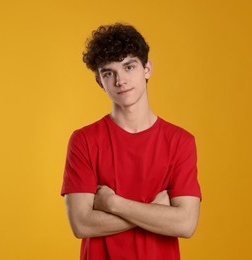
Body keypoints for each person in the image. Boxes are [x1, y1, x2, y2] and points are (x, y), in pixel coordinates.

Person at [61, 23, 202, 260]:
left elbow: (186, 224)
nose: (120, 80)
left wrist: (113, 203)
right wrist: (156, 211)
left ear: (147, 68)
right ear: (100, 82)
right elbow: (81, 224)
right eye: (109, 73)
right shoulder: (83, 140)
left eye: (129, 67)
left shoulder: (180, 141)